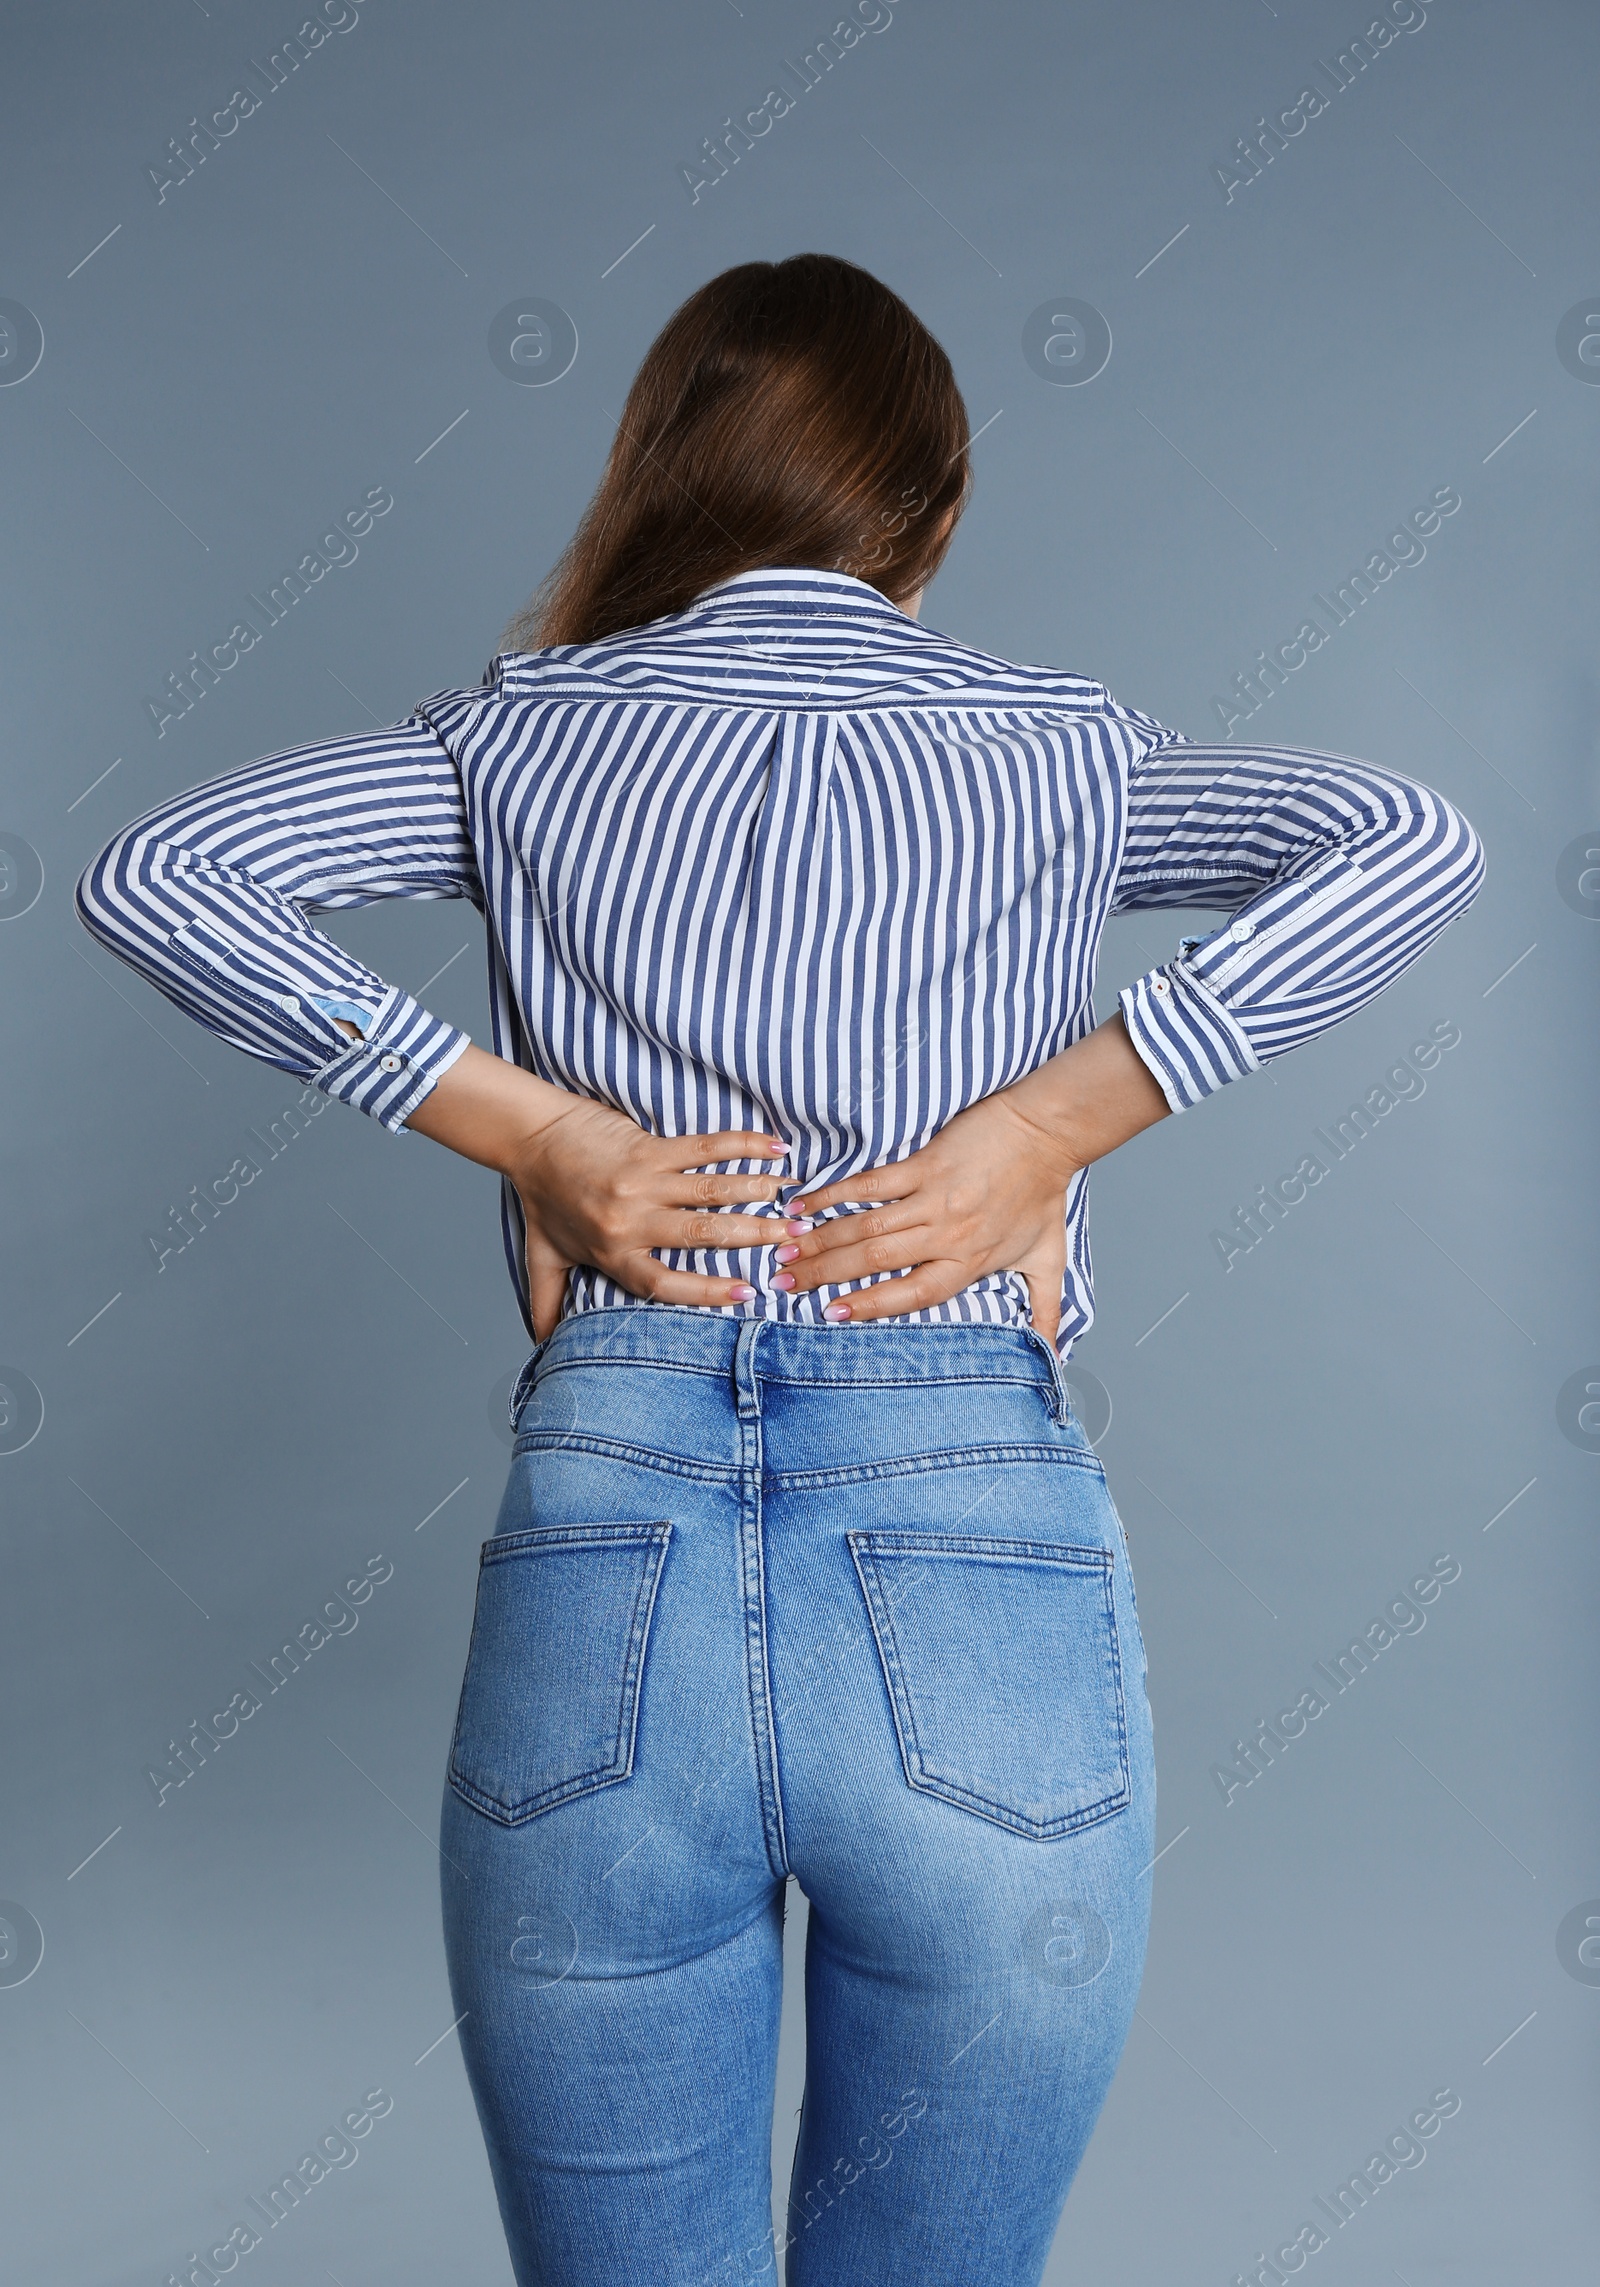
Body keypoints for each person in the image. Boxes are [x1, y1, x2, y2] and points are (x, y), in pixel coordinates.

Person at [77, 253, 1484, 2287]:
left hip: (609, 1552)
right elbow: (1407, 838)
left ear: (656, 472)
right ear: (925, 503)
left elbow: (161, 875)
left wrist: (540, 1132)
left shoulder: (525, 734)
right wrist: (1043, 1127)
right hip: (968, 1541)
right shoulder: (1049, 742)